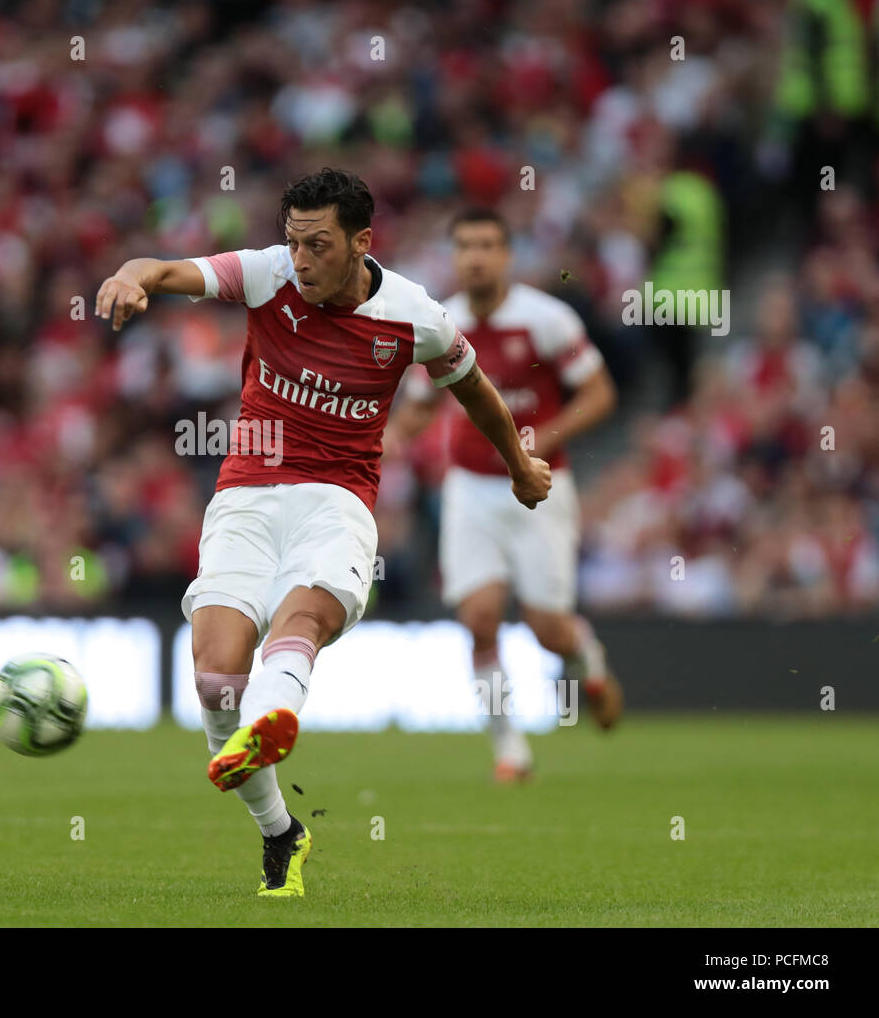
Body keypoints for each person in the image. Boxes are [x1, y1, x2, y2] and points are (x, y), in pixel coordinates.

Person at [95, 170, 551, 896]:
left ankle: (272, 717)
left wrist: (520, 465)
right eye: (293, 242)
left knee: (303, 615)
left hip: (337, 500)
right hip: (246, 495)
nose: (301, 260)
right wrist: (129, 275)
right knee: (214, 681)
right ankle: (282, 831)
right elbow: (166, 270)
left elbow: (474, 389)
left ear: (361, 242)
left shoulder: (415, 316)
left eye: (318, 245)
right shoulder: (266, 275)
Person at [385, 205, 622, 783]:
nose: (476, 257)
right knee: (480, 617)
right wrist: (387, 441)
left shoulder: (547, 319)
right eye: (465, 246)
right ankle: (509, 748)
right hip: (470, 488)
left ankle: (584, 654)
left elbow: (599, 394)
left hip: (540, 489)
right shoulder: (441, 324)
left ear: (508, 255)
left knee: (546, 629)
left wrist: (538, 442)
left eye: (487, 245)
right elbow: (419, 408)